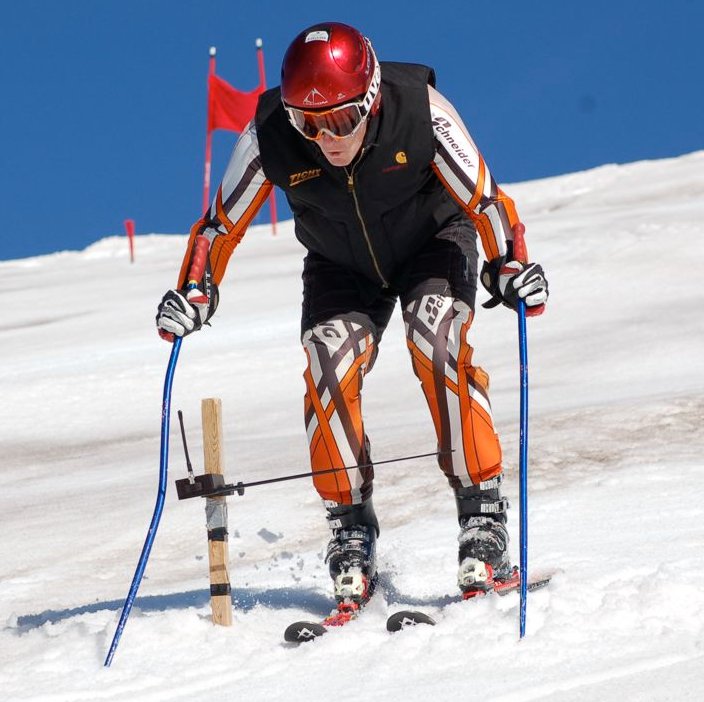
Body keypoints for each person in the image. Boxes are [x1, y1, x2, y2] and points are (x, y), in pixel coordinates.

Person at [157, 22, 549, 613]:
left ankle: (482, 511)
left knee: (435, 339)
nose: (326, 136)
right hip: (341, 263)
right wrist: (194, 292)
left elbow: (487, 200)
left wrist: (508, 266)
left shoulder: (422, 111)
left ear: (369, 101)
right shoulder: (269, 132)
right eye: (308, 123)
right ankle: (350, 523)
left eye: (340, 119)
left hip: (432, 243)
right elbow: (220, 225)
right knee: (328, 363)